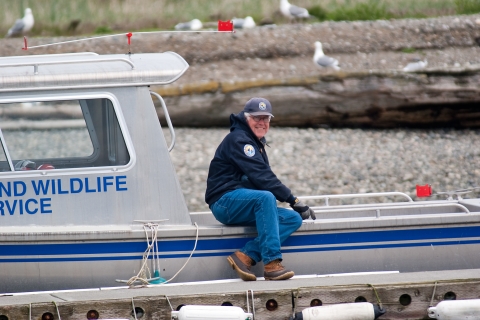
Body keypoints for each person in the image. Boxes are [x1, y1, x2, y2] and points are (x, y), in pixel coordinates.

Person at [205, 97, 316, 281]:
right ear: (246, 118)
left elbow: (262, 178)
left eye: (265, 119)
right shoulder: (240, 141)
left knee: (292, 219)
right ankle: (272, 264)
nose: (261, 122)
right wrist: (294, 200)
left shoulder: (255, 142)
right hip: (224, 202)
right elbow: (264, 178)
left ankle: (245, 256)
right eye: (257, 118)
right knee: (265, 197)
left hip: (241, 201)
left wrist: (294, 207)